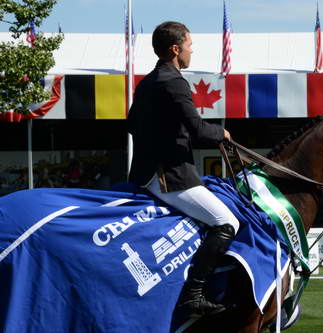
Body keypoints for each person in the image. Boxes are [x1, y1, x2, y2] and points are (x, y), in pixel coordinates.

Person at [127, 21, 239, 317]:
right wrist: (222, 134)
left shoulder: (148, 81)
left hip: (145, 172)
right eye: (189, 45)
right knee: (226, 222)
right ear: (176, 49)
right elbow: (199, 130)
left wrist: (166, 133)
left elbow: (131, 125)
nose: (191, 50)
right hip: (170, 176)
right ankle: (194, 295)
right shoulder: (176, 82)